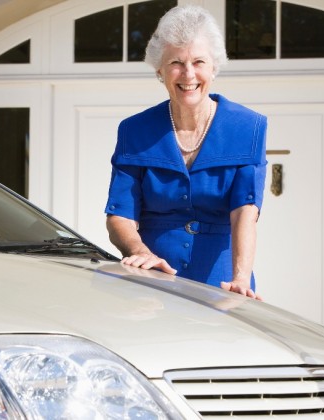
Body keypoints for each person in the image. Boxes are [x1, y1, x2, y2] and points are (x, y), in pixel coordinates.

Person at [104, 5, 267, 300]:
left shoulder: (248, 127)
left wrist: (240, 277)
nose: (188, 73)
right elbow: (119, 216)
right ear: (160, 70)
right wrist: (140, 252)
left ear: (214, 67)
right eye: (176, 62)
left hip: (222, 279)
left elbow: (245, 210)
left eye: (199, 61)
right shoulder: (134, 130)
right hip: (152, 278)